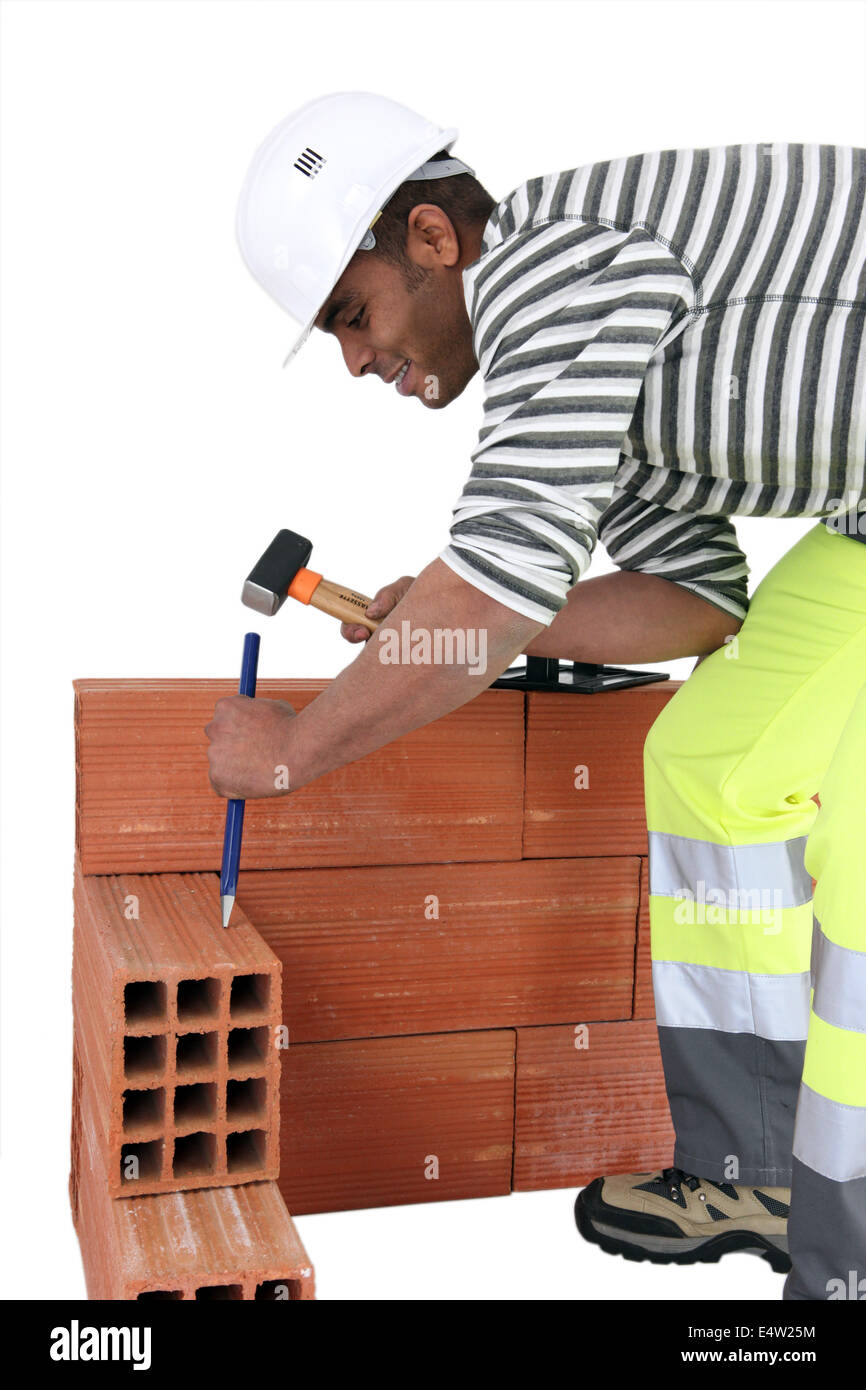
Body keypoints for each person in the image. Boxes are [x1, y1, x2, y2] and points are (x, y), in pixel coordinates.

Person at [207, 92, 866, 1300]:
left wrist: (297, 743)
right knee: (710, 760)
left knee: (860, 849)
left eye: (351, 316)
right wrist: (448, 621)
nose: (356, 360)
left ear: (433, 239)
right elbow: (694, 597)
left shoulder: (557, 271)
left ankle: (849, 1250)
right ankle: (755, 1168)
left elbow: (498, 579)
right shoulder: (575, 363)